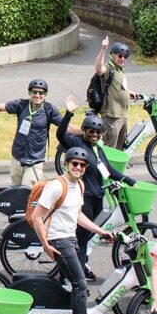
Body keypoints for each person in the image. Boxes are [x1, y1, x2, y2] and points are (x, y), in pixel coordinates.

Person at [27, 146, 117, 314]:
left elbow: (77, 215)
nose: (78, 167)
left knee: (67, 282)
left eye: (82, 165)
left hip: (71, 238)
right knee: (80, 284)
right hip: (59, 240)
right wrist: (46, 244)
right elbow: (37, 216)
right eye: (74, 163)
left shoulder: (80, 186)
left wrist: (99, 231)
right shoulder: (57, 186)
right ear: (67, 164)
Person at [56, 97, 131, 281]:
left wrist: (130, 180)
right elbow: (60, 135)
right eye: (91, 131)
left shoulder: (98, 149)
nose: (95, 134)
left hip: (98, 199)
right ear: (84, 130)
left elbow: (109, 170)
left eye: (98, 132)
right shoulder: (78, 144)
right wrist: (69, 113)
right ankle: (75, 277)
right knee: (81, 241)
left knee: (87, 239)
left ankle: (73, 271)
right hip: (85, 200)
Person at [0, 77, 62, 185]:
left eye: (41, 93)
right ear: (29, 93)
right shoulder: (21, 105)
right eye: (34, 92)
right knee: (15, 194)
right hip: (17, 157)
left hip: (34, 160)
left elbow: (66, 127)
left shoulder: (49, 110)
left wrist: (85, 131)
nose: (37, 95)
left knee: (28, 192)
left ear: (45, 95)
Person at [93, 36, 134, 151]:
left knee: (119, 150)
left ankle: (115, 169)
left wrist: (129, 93)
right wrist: (103, 49)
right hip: (112, 117)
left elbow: (118, 87)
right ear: (112, 56)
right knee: (110, 150)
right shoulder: (108, 68)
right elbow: (98, 68)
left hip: (122, 115)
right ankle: (105, 169)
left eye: (125, 57)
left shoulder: (120, 70)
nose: (122, 58)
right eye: (120, 56)